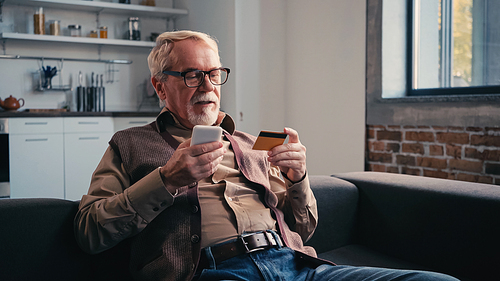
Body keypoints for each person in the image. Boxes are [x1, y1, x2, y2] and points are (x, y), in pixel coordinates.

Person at [74, 30, 459, 281]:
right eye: (192, 75)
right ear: (160, 87)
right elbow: (90, 231)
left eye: (214, 74)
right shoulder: (129, 144)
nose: (207, 86)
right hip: (215, 272)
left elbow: (304, 229)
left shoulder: (251, 142)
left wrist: (298, 179)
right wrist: (166, 180)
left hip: (297, 266)